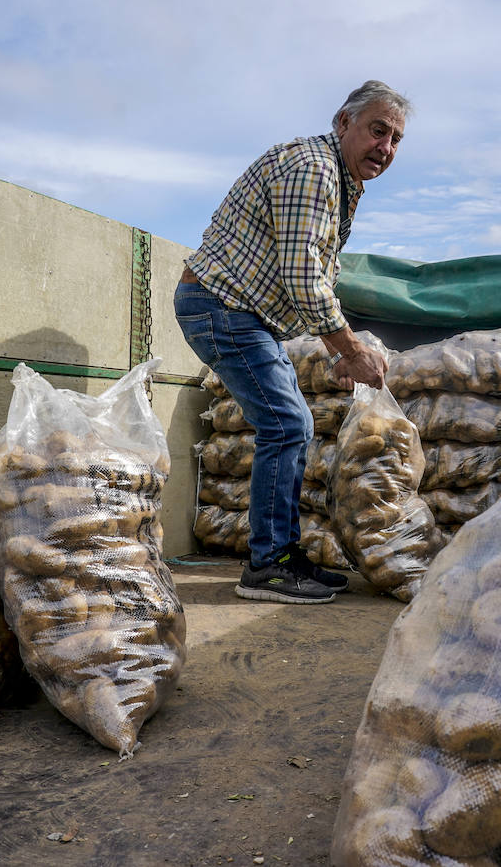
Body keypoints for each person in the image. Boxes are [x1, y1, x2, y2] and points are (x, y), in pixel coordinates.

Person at [174, 80, 410, 604]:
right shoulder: (315, 169)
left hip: (241, 314)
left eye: (395, 140)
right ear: (344, 122)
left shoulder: (338, 181)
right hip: (221, 308)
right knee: (287, 424)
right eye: (377, 130)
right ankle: (269, 565)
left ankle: (281, 554)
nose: (385, 148)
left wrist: (336, 348)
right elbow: (304, 275)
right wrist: (349, 349)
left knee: (288, 423)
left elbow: (315, 275)